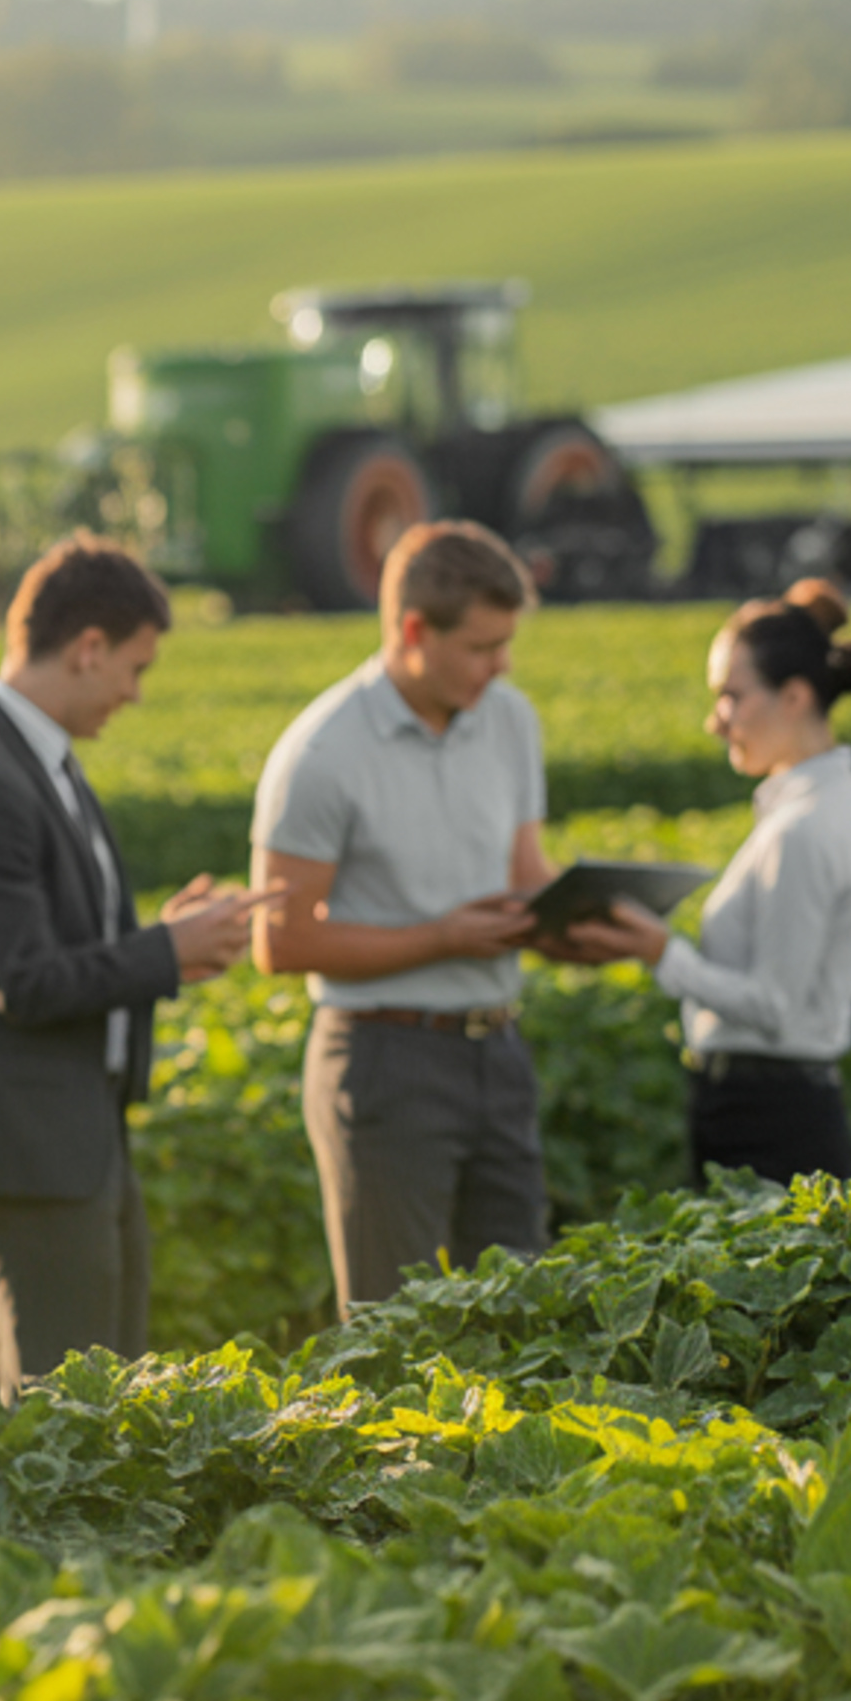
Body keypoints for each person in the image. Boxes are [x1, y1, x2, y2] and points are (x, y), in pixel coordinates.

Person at [0, 536, 279, 1393]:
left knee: (109, 1388)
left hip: (76, 1127)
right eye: (134, 669)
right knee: (61, 1407)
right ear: (88, 647)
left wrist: (164, 937)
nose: (134, 694)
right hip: (32, 1146)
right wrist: (167, 953)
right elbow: (25, 982)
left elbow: (58, 946)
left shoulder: (36, 759)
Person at [250, 520, 597, 1311]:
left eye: (505, 644)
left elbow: (526, 874)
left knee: (525, 1313)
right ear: (414, 632)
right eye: (481, 647)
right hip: (384, 1059)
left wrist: (587, 923)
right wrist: (440, 938)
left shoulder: (510, 719)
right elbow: (281, 940)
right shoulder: (322, 753)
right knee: (392, 1321)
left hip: (499, 1048)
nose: (500, 665)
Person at [562, 581, 851, 1182]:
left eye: (731, 698)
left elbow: (773, 1006)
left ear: (794, 696)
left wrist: (661, 952)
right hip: (790, 1104)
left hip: (764, 1112)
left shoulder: (802, 828)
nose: (716, 721)